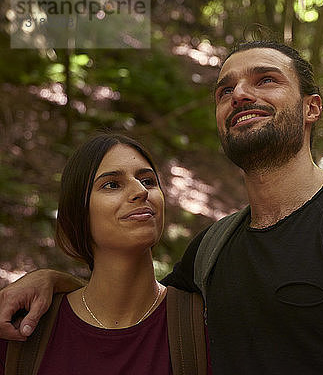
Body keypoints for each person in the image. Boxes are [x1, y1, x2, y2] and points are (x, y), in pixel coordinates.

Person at [0, 41, 323, 374]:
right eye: (225, 90)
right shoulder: (211, 252)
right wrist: (51, 282)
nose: (240, 94)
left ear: (311, 109)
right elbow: (129, 299)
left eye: (265, 80)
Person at [0, 134, 205, 374]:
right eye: (112, 184)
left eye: (148, 181)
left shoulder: (202, 324)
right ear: (79, 213)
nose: (141, 191)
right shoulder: (22, 330)